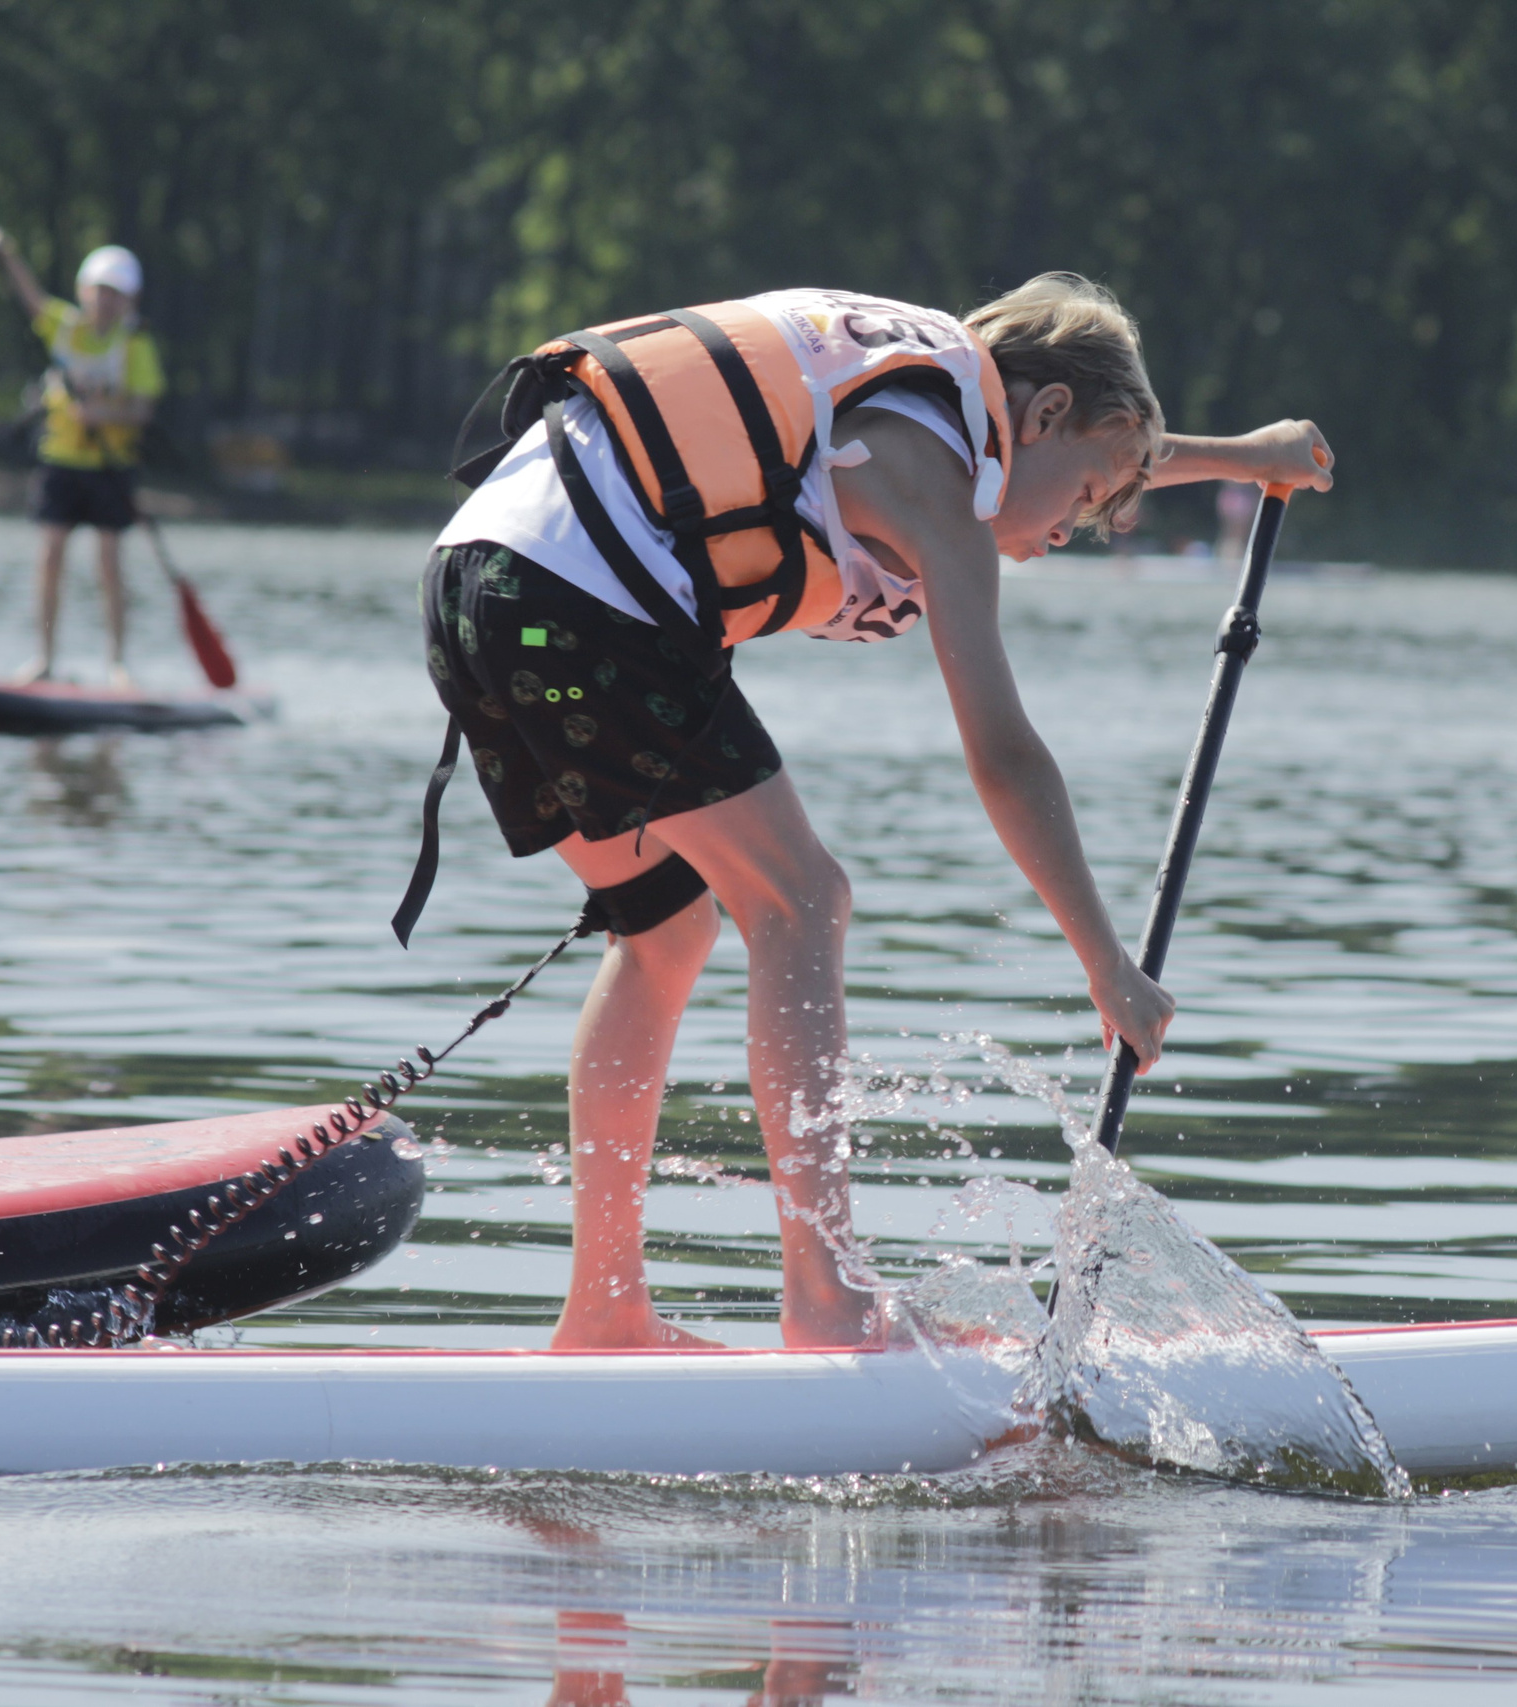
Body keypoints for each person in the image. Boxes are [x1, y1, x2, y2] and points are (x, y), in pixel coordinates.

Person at [415, 275, 1332, 1350]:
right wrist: (1105, 963)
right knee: (802, 899)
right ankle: (827, 1304)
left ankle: (606, 1313)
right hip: (581, 613)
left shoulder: (920, 401)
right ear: (1039, 418)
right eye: (1089, 497)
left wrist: (1252, 455)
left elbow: (1117, 442)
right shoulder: (931, 484)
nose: (1080, 528)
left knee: (667, 929)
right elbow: (1004, 756)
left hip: (481, 592)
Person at [0, 226, 165, 687]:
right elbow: (28, 296)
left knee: (109, 561)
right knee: (51, 555)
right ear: (84, 291)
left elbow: (142, 410)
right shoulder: (65, 327)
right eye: (99, 291)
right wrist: (5, 252)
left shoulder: (136, 344)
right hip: (60, 460)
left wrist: (105, 412)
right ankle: (45, 658)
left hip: (110, 467)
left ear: (129, 300)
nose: (105, 301)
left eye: (115, 294)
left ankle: (118, 664)